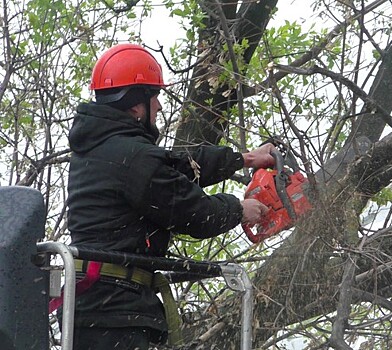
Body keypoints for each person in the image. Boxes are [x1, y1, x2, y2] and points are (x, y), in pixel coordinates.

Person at [64, 43, 274, 349]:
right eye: (154, 97)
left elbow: (175, 165)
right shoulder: (134, 159)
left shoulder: (102, 152)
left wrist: (244, 159)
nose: (159, 106)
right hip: (117, 312)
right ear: (136, 103)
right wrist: (240, 209)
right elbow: (193, 213)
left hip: (99, 306)